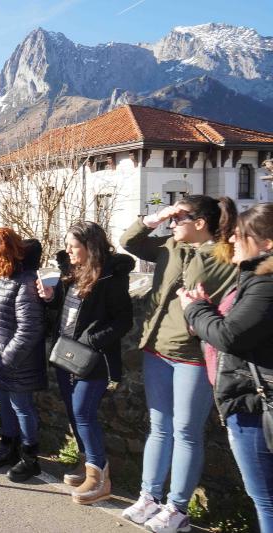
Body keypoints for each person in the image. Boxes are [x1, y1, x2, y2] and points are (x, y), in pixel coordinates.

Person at [119, 195, 238, 532]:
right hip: (157, 348)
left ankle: (178, 509)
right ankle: (149, 497)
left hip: (194, 356)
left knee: (186, 431)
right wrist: (158, 216)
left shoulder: (223, 256)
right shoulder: (169, 246)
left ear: (200, 223)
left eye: (179, 218)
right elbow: (129, 241)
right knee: (159, 427)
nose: (173, 224)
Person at [180, 203, 273, 532]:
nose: (232, 236)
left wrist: (193, 309)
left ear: (267, 244)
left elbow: (230, 336)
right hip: (252, 401)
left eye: (241, 233)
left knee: (265, 498)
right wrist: (205, 308)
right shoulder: (253, 278)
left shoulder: (265, 285)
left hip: (254, 404)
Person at [38, 222, 135, 503]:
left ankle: (99, 478)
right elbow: (68, 310)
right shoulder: (74, 271)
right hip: (68, 355)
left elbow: (123, 320)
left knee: (83, 412)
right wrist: (50, 298)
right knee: (73, 411)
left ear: (90, 247)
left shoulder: (111, 277)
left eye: (73, 246)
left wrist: (92, 341)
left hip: (93, 359)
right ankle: (87, 463)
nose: (67, 250)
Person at [0, 230, 46, 481]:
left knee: (22, 407)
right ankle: (8, 447)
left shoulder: (25, 282)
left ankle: (30, 458)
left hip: (16, 362)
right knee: (5, 405)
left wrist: (8, 358)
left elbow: (30, 328)